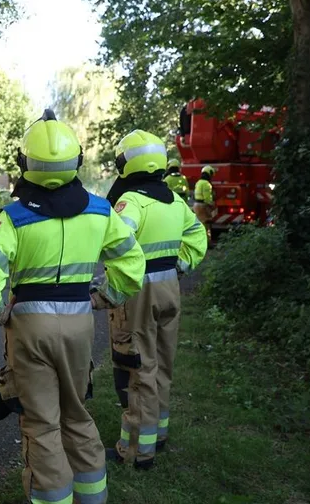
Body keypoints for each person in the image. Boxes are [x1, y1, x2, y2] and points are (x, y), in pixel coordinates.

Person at [0, 109, 145, 504]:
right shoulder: (102, 211)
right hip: (80, 322)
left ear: (24, 164)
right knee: (77, 414)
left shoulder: (13, 218)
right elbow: (131, 262)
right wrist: (105, 297)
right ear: (77, 160)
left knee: (42, 424)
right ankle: (92, 497)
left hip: (30, 328)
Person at [104, 130, 208, 469]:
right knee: (162, 363)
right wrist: (181, 264)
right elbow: (197, 236)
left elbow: (116, 239)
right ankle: (158, 435)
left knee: (138, 367)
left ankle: (136, 449)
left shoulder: (131, 202)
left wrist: (116, 277)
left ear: (126, 162)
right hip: (169, 286)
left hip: (138, 291)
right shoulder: (175, 202)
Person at [193, 165, 216, 241]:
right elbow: (207, 198)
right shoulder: (206, 184)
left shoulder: (198, 182)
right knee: (206, 224)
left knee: (199, 224)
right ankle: (206, 242)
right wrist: (212, 205)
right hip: (203, 206)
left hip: (196, 205)